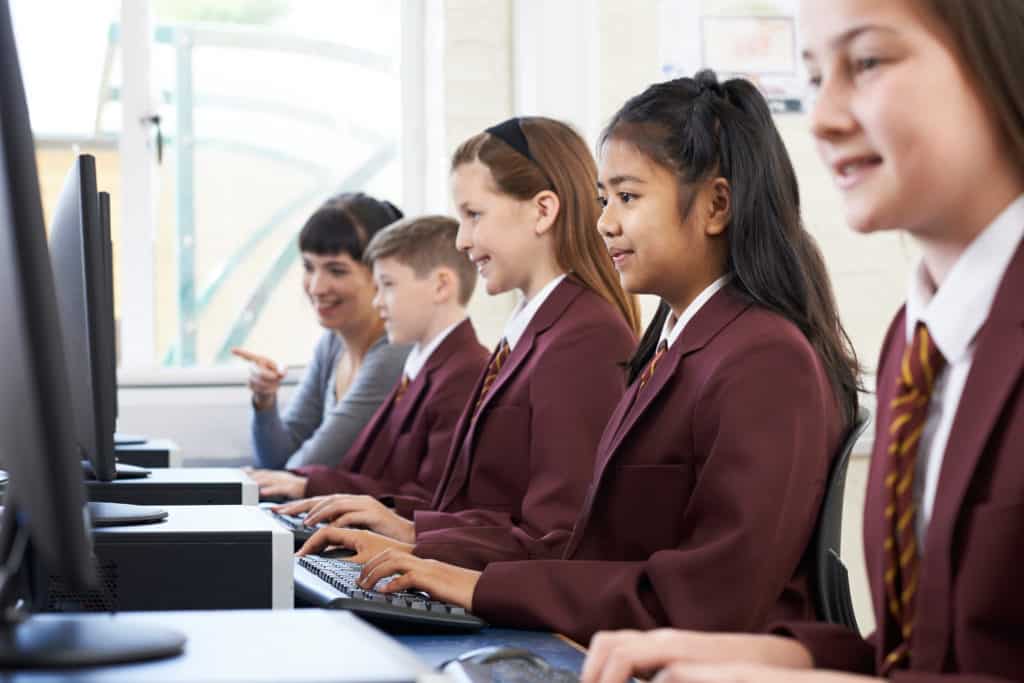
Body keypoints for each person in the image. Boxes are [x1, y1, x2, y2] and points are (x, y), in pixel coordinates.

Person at [301, 73, 860, 646]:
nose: (604, 222)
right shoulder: (676, 347)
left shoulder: (763, 358)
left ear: (716, 205)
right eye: (602, 199)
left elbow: (711, 598)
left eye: (628, 197)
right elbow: (588, 544)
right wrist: (434, 555)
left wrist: (470, 583)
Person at [576, 2, 1024, 682]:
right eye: (815, 78)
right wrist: (790, 656)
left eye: (867, 62)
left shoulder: (776, 353)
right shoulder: (918, 335)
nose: (821, 119)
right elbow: (941, 653)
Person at [295, 116, 640, 568]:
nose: (461, 240)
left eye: (474, 215)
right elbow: (484, 506)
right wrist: (408, 528)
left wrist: (418, 540)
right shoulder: (534, 330)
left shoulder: (585, 336)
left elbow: (559, 536)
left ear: (542, 211)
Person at [253, 215, 488, 509]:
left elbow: (430, 500)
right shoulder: (421, 366)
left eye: (387, 285)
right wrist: (308, 485)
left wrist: (310, 486)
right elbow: (382, 477)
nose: (377, 302)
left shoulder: (464, 373)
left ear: (441, 286)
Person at [238, 193, 409, 475]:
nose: (316, 287)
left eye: (336, 270)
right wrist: (264, 400)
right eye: (308, 267)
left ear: (380, 272)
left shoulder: (393, 353)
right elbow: (276, 460)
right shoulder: (332, 344)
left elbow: (301, 469)